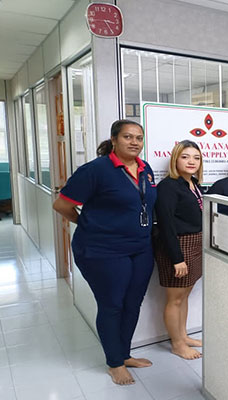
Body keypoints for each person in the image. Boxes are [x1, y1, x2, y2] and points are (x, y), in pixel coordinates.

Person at [52, 119, 157, 386]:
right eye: (127, 137)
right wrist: (87, 223)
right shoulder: (95, 170)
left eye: (139, 138)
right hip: (103, 249)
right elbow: (61, 205)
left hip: (140, 248)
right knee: (112, 305)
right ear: (114, 140)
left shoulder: (145, 169)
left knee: (132, 303)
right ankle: (114, 363)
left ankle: (124, 354)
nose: (134, 142)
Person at [154, 140, 204, 360]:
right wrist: (176, 258)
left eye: (196, 157)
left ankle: (183, 336)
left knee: (184, 295)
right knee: (175, 299)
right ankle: (177, 344)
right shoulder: (168, 186)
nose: (191, 161)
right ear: (175, 159)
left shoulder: (193, 183)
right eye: (185, 157)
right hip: (177, 246)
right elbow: (166, 224)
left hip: (195, 243)